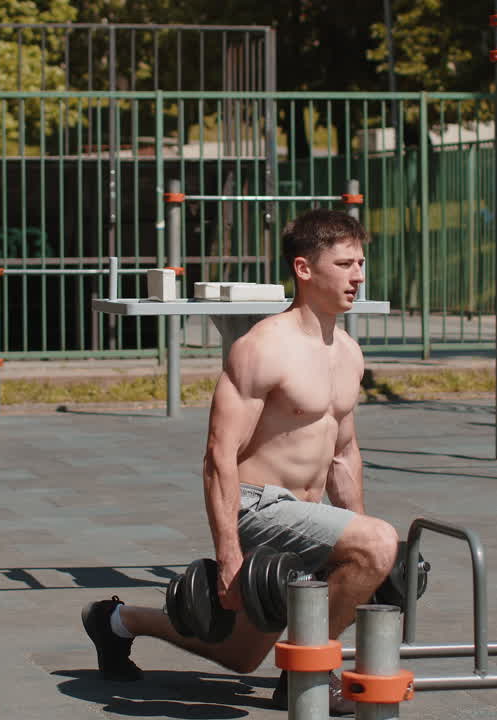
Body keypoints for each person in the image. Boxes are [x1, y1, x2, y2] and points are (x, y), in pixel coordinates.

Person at [82, 209, 398, 715]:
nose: (358, 276)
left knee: (241, 655)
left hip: (307, 518)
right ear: (304, 269)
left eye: (361, 262)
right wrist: (228, 554)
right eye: (344, 264)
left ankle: (116, 622)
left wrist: (354, 531)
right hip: (259, 508)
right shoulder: (263, 348)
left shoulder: (349, 352)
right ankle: (309, 669)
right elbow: (217, 456)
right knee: (379, 542)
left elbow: (344, 453)